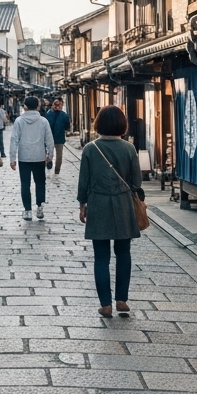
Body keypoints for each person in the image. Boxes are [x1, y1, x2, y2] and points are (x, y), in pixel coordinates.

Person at [77, 105, 142, 318]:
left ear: (99, 124)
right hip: (123, 204)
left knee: (101, 257)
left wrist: (82, 204)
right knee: (123, 253)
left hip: (98, 204)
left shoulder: (90, 149)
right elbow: (137, 182)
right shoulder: (129, 149)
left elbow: (83, 181)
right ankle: (121, 299)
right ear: (122, 124)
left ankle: (105, 304)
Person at [9, 95, 55, 220]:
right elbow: (49, 140)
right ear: (38, 106)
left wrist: (12, 159)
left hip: (24, 157)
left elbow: (14, 140)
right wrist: (50, 155)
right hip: (39, 157)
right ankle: (39, 208)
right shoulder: (43, 121)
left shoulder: (19, 121)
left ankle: (28, 210)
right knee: (40, 183)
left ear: (25, 106)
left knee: (25, 184)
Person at [43, 97, 71, 183]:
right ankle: (57, 171)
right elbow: (67, 127)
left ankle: (48, 163)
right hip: (59, 138)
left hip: (49, 138)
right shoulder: (64, 115)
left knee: (48, 153)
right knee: (59, 156)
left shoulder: (48, 114)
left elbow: (45, 127)